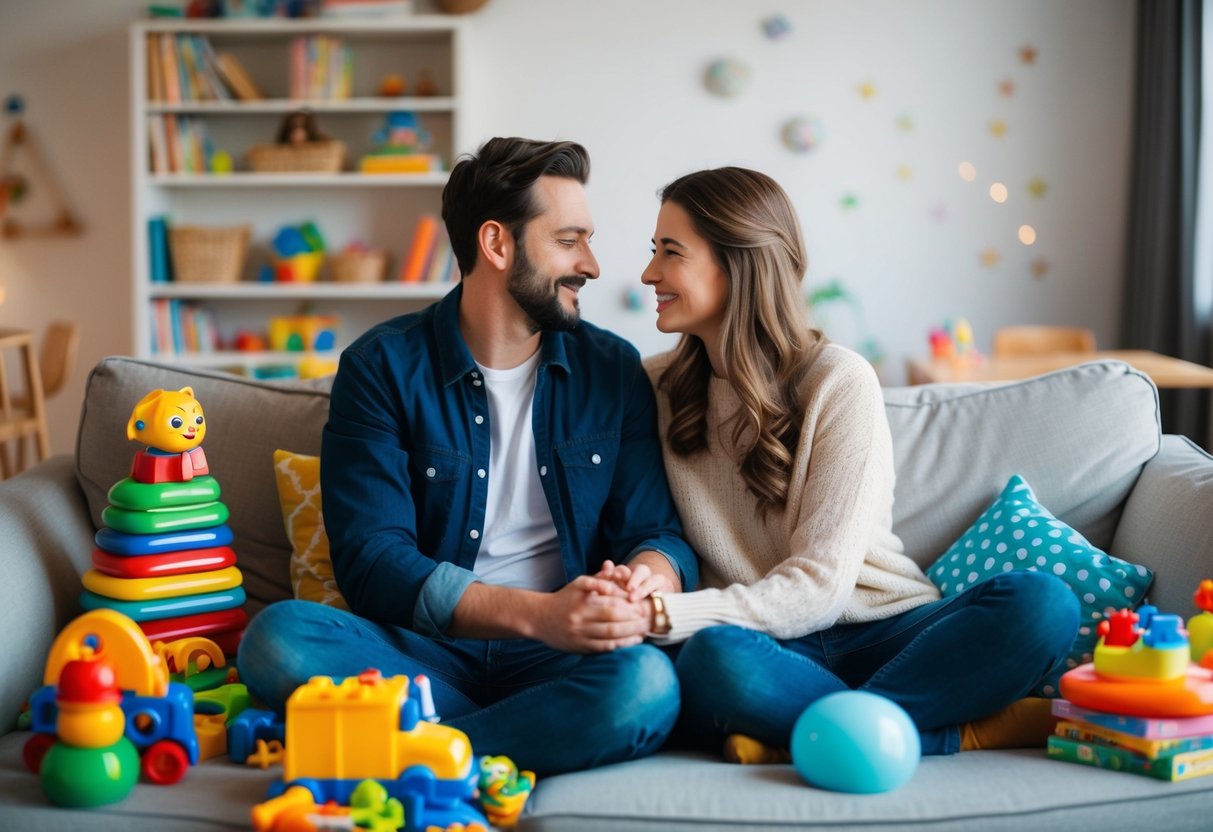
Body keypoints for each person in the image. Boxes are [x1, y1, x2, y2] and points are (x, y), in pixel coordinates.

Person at [237, 137, 699, 777]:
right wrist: (543, 616)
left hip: (561, 663)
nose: (592, 264)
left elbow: (655, 532)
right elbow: (373, 562)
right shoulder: (380, 368)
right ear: (496, 244)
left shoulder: (612, 368)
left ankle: (420, 750)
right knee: (277, 638)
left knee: (646, 686)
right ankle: (486, 752)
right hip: (426, 653)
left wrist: (647, 578)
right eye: (570, 240)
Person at [605, 166, 1079, 763]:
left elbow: (822, 589)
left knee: (1043, 604)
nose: (649, 273)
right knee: (710, 658)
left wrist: (661, 612)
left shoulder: (837, 380)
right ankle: (933, 730)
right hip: (765, 646)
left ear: (738, 263)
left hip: (885, 631)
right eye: (654, 252)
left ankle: (815, 734)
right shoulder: (651, 389)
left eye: (670, 253)